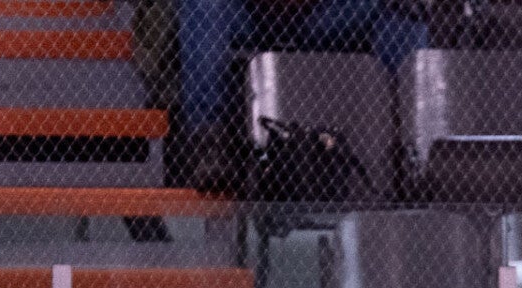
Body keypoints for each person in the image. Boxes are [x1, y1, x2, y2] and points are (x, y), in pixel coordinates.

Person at [173, 0, 429, 192]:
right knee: (202, 4)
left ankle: (410, 153)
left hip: (322, 17)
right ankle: (209, 142)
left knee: (403, 8)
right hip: (248, 16)